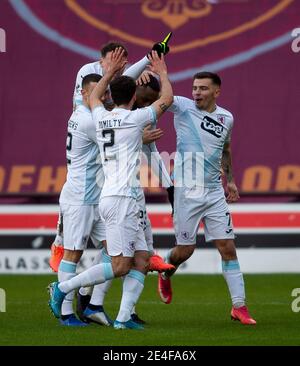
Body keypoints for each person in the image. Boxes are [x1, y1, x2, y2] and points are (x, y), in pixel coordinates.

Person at [48, 48, 173, 330]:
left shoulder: (98, 114)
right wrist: (161, 71)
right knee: (108, 262)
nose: (101, 95)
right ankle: (64, 293)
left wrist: (108, 75)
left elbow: (98, 99)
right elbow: (166, 99)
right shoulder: (109, 119)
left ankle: (116, 316)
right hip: (92, 195)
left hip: (103, 194)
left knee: (138, 259)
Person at [158, 71, 256, 325]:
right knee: (185, 251)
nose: (196, 93)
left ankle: (239, 307)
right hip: (187, 192)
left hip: (213, 192)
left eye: (202, 88)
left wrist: (231, 180)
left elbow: (226, 149)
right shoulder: (182, 106)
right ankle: (167, 269)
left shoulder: (227, 118)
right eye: (194, 88)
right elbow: (163, 97)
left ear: (216, 92)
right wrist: (161, 72)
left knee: (228, 248)